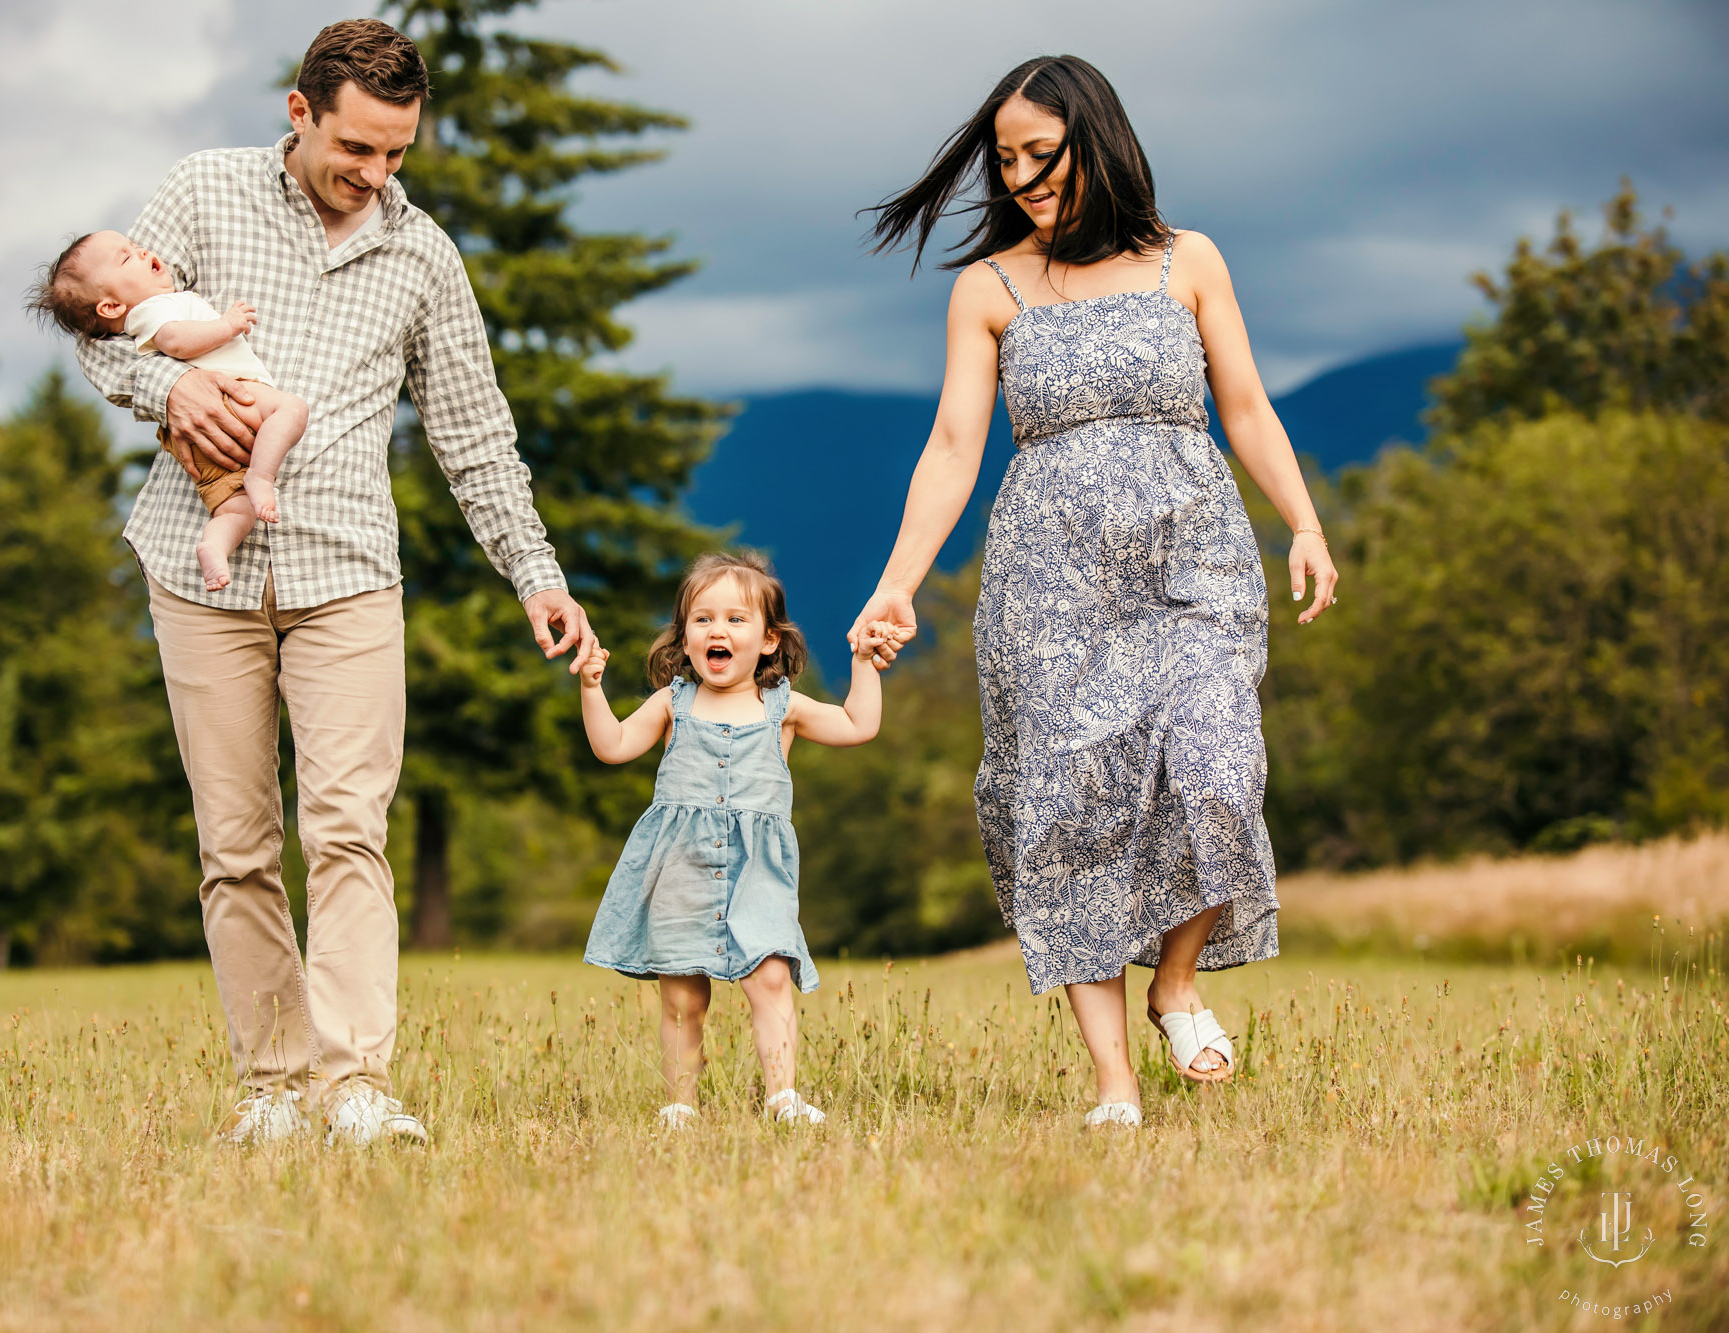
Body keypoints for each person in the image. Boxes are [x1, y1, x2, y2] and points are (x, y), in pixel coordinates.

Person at [72, 19, 598, 1147]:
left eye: (397, 153)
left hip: (347, 572)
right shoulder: (202, 192)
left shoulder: (423, 256)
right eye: (356, 148)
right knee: (236, 843)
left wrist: (535, 574)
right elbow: (100, 330)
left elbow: (472, 432)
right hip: (197, 564)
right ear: (300, 111)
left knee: (349, 828)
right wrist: (166, 398)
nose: (374, 175)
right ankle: (269, 1086)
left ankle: (352, 1083)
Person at [848, 56, 1339, 1130]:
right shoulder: (990, 288)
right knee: (1067, 815)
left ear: (1097, 138)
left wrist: (1302, 522)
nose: (1023, 177)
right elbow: (948, 447)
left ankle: (1174, 982)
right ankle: (1114, 1086)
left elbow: (1245, 407)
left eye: (1042, 154)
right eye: (1006, 160)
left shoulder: (1187, 262)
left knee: (1218, 767)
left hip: (1191, 563)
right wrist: (895, 589)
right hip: (1047, 584)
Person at [578, 553, 904, 1128]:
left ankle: (782, 1097)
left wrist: (864, 664)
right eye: (702, 620)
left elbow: (859, 725)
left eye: (735, 619)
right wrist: (591, 686)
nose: (717, 631)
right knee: (683, 995)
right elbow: (613, 746)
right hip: (680, 865)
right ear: (684, 637)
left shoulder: (784, 708)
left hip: (758, 869)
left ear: (770, 640)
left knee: (771, 975)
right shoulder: (672, 702)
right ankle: (681, 1104)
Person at [29, 230, 309, 591]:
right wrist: (226, 325)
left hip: (200, 440)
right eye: (127, 257)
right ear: (112, 307)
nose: (143, 250)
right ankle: (261, 476)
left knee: (236, 511)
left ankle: (215, 544)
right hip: (230, 403)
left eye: (136, 246)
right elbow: (176, 342)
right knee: (292, 409)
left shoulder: (155, 307)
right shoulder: (153, 311)